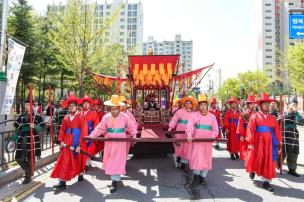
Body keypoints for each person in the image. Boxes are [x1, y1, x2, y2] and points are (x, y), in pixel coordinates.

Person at [89, 95, 138, 193]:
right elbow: (100, 128)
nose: (114, 110)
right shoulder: (106, 117)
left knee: (118, 160)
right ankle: (115, 178)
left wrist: (134, 135)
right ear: (110, 108)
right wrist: (92, 135)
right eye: (112, 108)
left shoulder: (125, 116)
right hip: (109, 141)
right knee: (111, 159)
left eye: (116, 108)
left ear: (119, 108)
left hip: (120, 141)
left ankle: (114, 181)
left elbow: (131, 127)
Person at [50, 96, 87, 192]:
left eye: (73, 106)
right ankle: (62, 181)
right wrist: (61, 141)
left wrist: (79, 145)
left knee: (77, 159)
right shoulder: (66, 117)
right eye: (70, 106)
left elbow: (83, 131)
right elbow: (62, 130)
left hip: (76, 141)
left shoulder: (80, 116)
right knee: (64, 160)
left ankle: (80, 173)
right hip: (66, 141)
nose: (71, 107)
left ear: (76, 106)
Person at [246, 93, 281, 192]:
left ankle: (266, 181)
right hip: (258, 141)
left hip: (269, 142)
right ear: (260, 105)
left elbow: (277, 130)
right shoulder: (254, 116)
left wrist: (278, 142)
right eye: (265, 104)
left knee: (268, 160)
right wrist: (251, 142)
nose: (267, 105)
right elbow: (250, 130)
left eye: (268, 104)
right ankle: (252, 170)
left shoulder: (272, 118)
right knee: (256, 158)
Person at [185, 94, 218, 198]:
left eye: (204, 105)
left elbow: (215, 129)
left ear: (207, 106)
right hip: (197, 142)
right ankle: (195, 177)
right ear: (199, 106)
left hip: (207, 142)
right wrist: (189, 135)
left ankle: (202, 177)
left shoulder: (212, 117)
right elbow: (189, 126)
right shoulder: (194, 115)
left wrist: (213, 136)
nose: (203, 107)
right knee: (196, 159)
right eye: (201, 105)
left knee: (206, 159)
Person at [14, 98, 43, 184]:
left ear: (32, 106)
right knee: (18, 158)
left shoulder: (37, 116)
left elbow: (42, 127)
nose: (26, 106)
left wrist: (35, 126)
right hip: (22, 140)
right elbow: (17, 128)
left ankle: (27, 176)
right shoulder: (22, 116)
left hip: (32, 140)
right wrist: (13, 139)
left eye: (28, 105)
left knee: (30, 159)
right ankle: (29, 172)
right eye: (25, 105)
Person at [277, 96, 303, 177]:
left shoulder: (296, 114)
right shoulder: (284, 113)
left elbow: (301, 122)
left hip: (294, 134)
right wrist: (278, 119)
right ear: (289, 105)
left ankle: (292, 169)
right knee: (283, 151)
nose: (294, 106)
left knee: (293, 152)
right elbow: (278, 123)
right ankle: (278, 164)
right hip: (285, 134)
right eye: (293, 105)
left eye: (296, 105)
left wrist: (297, 113)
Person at [168, 96, 196, 171]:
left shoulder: (194, 114)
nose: (188, 104)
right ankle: (179, 157)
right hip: (180, 130)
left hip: (189, 133)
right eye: (186, 103)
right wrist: (170, 127)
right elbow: (174, 120)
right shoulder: (179, 111)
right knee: (179, 146)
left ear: (191, 105)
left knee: (187, 147)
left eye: (189, 103)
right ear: (184, 104)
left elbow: (196, 123)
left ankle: (184, 163)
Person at [79, 95, 101, 170]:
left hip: (90, 132)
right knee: (81, 148)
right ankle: (81, 162)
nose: (86, 104)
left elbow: (96, 124)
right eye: (84, 103)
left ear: (89, 104)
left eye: (87, 103)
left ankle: (86, 164)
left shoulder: (94, 113)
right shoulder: (79, 113)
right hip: (80, 133)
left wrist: (94, 133)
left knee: (89, 148)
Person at [237, 94, 256, 161]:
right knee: (245, 146)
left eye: (253, 104)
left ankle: (251, 160)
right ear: (248, 105)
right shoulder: (244, 113)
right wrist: (241, 135)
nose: (252, 105)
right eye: (251, 104)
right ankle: (247, 160)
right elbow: (240, 124)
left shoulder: (256, 113)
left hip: (254, 132)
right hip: (245, 131)